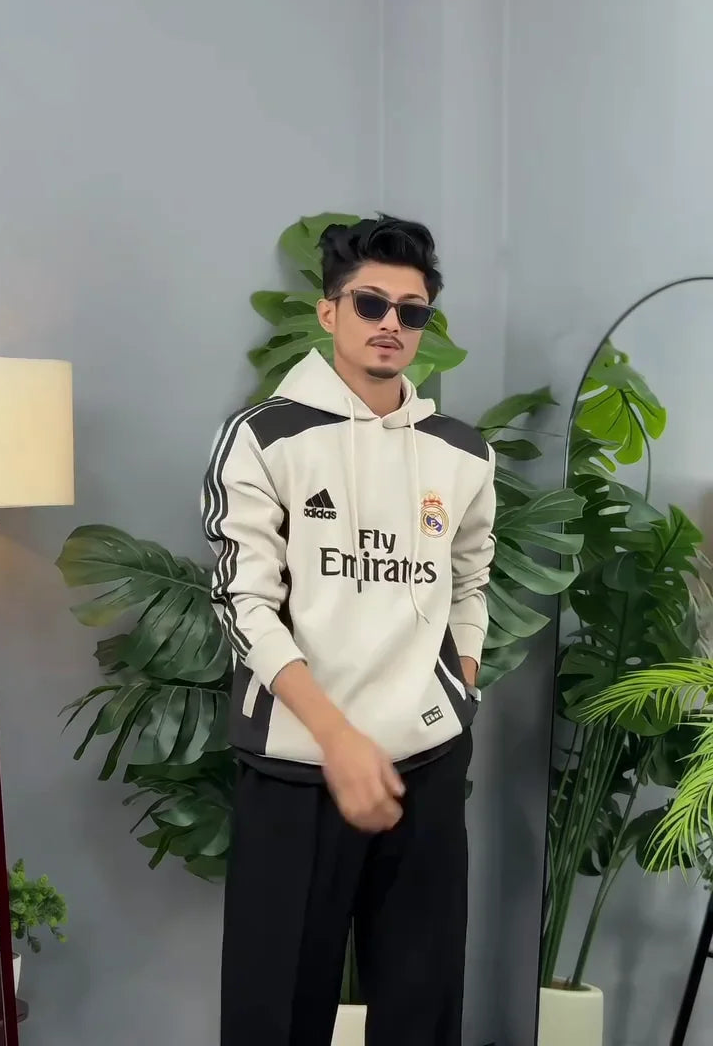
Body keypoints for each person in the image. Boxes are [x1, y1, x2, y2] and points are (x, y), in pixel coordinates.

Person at [202, 215, 496, 1046]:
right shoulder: (265, 437)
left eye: (412, 310)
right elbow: (243, 603)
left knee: (421, 1013)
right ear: (329, 312)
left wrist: (462, 677)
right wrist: (338, 741)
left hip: (426, 767)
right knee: (275, 1017)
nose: (391, 323)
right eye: (371, 303)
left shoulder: (462, 452)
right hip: (300, 770)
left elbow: (472, 577)